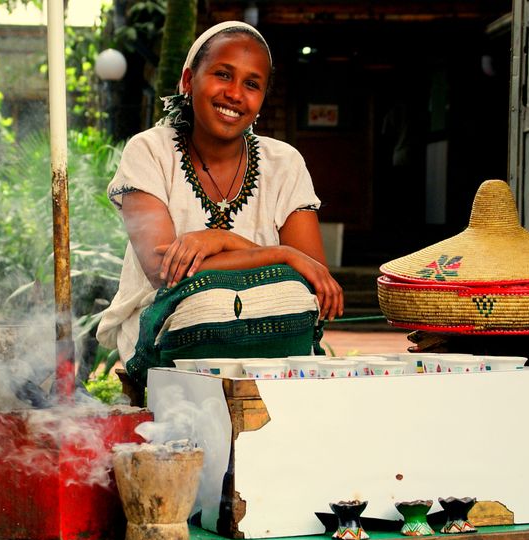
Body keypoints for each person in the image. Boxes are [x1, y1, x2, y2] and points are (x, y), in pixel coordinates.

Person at [96, 20, 344, 371]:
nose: (235, 94)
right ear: (187, 81)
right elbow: (165, 274)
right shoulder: (150, 150)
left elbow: (314, 278)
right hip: (164, 331)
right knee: (206, 305)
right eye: (223, 75)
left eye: (252, 84)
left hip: (266, 330)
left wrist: (221, 240)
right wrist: (283, 255)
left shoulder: (284, 163)